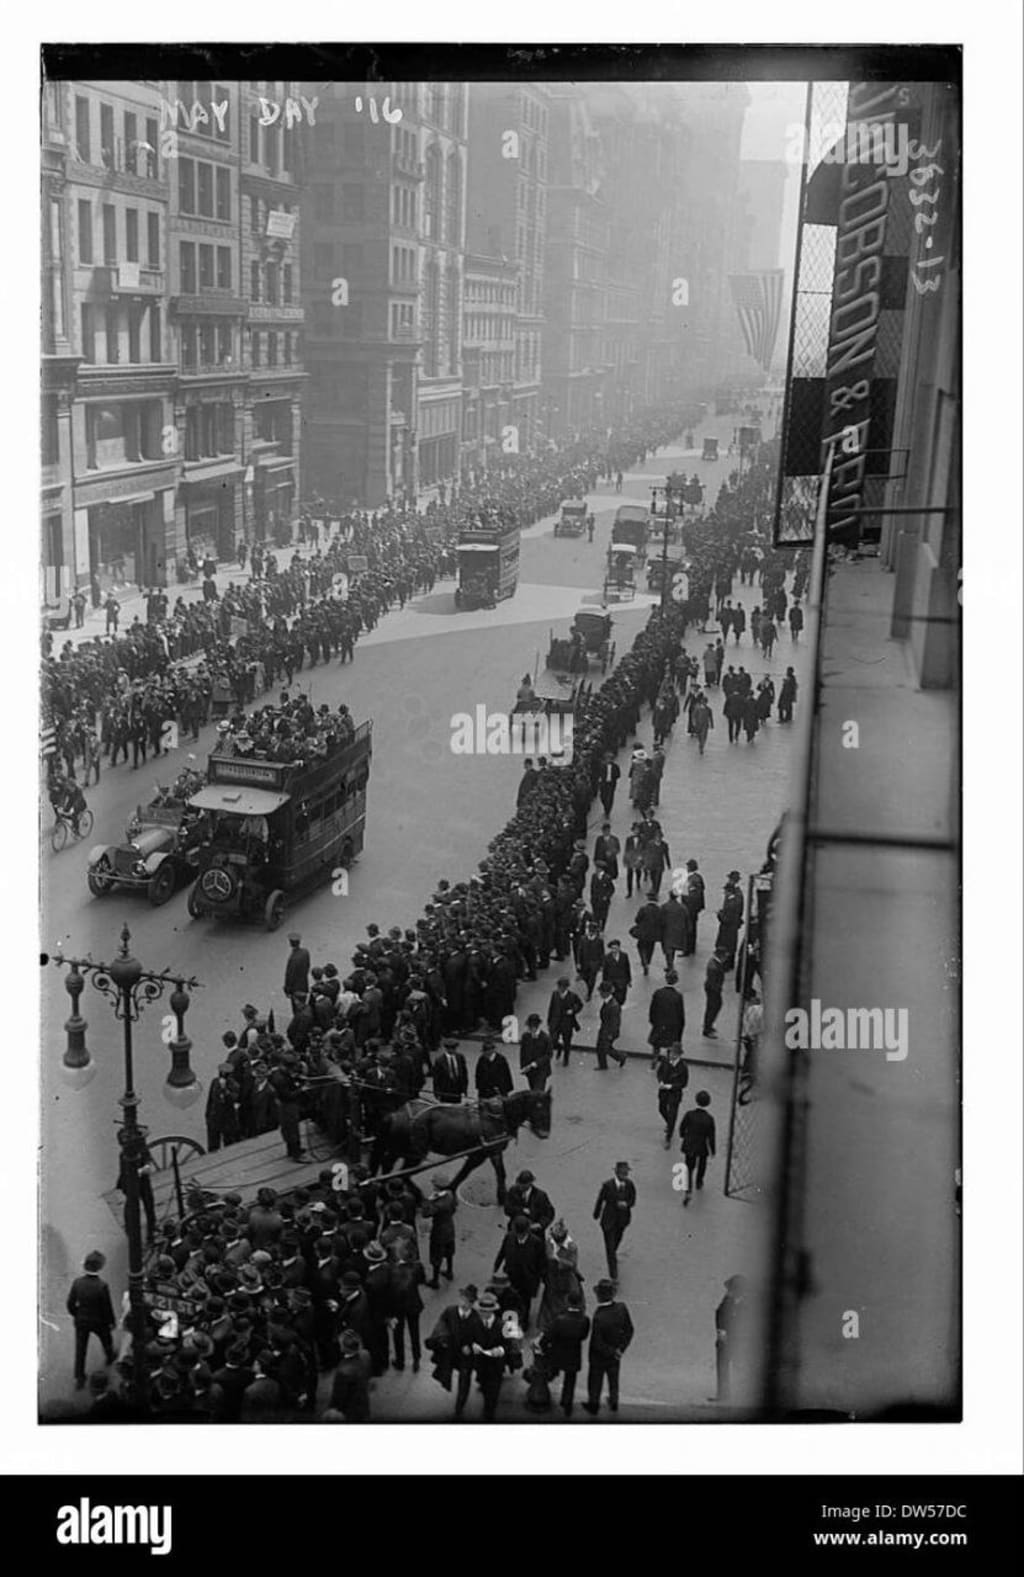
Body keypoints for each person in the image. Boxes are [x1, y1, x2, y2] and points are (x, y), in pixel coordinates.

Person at [426, 1284, 482, 1418]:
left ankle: (459, 1408)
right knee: (446, 1371)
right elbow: (441, 1326)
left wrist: (471, 1347)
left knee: (464, 1380)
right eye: (463, 1299)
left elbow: (480, 1337)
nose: (464, 1303)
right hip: (451, 1352)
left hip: (466, 1357)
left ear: (472, 1303)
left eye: (468, 1301)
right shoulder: (450, 1312)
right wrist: (442, 1339)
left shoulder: (476, 1318)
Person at [66, 1251, 116, 1391]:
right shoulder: (102, 1285)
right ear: (100, 1267)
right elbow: (107, 1307)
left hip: (82, 1320)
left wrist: (77, 1314)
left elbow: (70, 1303)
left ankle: (79, 1377)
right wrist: (111, 1321)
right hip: (99, 1321)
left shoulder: (77, 1283)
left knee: (80, 1349)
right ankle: (109, 1356)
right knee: (106, 1340)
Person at [583, 1280, 634, 1415]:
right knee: (613, 1380)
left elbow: (597, 1343)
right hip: (615, 1354)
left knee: (595, 1382)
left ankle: (593, 1405)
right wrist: (620, 1349)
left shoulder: (599, 1317)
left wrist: (611, 1351)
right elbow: (629, 1330)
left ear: (599, 1295)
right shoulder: (621, 1308)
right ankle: (613, 1402)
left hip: (598, 1357)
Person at [540, 1289, 591, 1418]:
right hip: (573, 1354)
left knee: (549, 1372)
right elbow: (584, 1336)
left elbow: (548, 1336)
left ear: (567, 1301)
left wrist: (544, 1348)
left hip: (557, 1352)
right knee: (570, 1380)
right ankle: (567, 1404)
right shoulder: (585, 1320)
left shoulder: (559, 1320)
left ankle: (542, 1394)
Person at [493, 1217, 546, 1330]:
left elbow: (541, 1262)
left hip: (527, 1279)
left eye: (522, 1234)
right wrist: (496, 1267)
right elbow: (502, 1253)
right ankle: (510, 1321)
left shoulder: (536, 1242)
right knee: (510, 1300)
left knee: (525, 1301)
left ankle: (524, 1322)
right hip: (511, 1275)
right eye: (518, 1233)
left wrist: (539, 1277)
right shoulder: (509, 1237)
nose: (519, 1236)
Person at [592, 1161, 636, 1281]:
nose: (624, 1176)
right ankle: (613, 1274)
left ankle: (613, 1255)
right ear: (616, 1173)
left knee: (617, 1240)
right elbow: (601, 1199)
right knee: (610, 1247)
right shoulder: (608, 1185)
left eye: (625, 1173)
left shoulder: (630, 1185)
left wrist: (626, 1204)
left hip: (622, 1220)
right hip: (609, 1220)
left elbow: (633, 1200)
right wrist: (596, 1213)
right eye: (622, 1173)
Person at [714, 1275, 747, 1404]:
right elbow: (719, 1314)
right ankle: (723, 1395)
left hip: (739, 1340)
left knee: (741, 1366)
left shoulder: (747, 1303)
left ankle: (745, 1394)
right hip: (725, 1339)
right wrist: (721, 1331)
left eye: (731, 1289)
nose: (728, 1291)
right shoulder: (728, 1300)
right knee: (723, 1367)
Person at [679, 1090, 716, 1202]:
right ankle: (699, 1181)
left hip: (689, 1144)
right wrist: (713, 1150)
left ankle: (688, 1190)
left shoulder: (689, 1115)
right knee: (702, 1164)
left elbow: (682, 1127)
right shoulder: (709, 1119)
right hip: (702, 1145)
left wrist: (683, 1135)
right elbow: (711, 1136)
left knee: (689, 1167)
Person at [327, 1330, 373, 1421]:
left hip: (349, 1411)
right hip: (363, 1403)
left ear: (343, 1348)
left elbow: (338, 1396)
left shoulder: (343, 1371)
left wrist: (332, 1409)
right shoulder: (366, 1355)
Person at [423, 1175, 457, 1289]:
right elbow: (454, 1208)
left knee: (436, 1255)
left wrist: (429, 1200)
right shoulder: (450, 1194)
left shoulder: (437, 1203)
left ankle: (435, 1280)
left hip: (439, 1230)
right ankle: (449, 1271)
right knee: (449, 1250)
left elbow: (425, 1214)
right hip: (450, 1226)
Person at [648, 971, 686, 1068]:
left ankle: (654, 1059)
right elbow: (680, 1014)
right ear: (676, 980)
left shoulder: (658, 993)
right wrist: (681, 1027)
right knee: (670, 1045)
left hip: (659, 1023)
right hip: (672, 1026)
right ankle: (668, 1063)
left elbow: (652, 1009)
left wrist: (653, 1021)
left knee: (656, 1044)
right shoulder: (678, 996)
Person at [655, 1043, 689, 1148]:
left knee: (672, 1115)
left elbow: (684, 1083)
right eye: (670, 1053)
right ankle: (670, 1124)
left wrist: (670, 1086)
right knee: (661, 1109)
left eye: (674, 1053)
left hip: (674, 1094)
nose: (671, 1055)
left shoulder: (683, 1067)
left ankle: (668, 1137)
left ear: (679, 1055)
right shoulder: (665, 1062)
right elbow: (659, 1073)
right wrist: (660, 1081)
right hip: (663, 1092)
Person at [547, 978, 583, 1067]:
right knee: (553, 1040)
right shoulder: (555, 994)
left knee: (567, 1042)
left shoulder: (573, 996)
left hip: (567, 1023)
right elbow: (551, 1007)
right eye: (559, 987)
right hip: (555, 1022)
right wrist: (549, 1021)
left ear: (566, 987)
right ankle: (559, 1047)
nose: (560, 989)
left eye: (562, 987)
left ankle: (566, 1059)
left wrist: (573, 1011)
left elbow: (580, 1005)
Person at [595, 981, 626, 1070]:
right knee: (604, 1047)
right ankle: (606, 1063)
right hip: (605, 1029)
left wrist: (610, 1034)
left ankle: (620, 1057)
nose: (600, 994)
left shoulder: (613, 1006)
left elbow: (615, 1022)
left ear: (606, 992)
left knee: (603, 1047)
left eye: (601, 992)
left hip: (608, 1031)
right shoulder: (609, 1002)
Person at [631, 892, 663, 975]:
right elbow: (661, 922)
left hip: (643, 933)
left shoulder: (643, 909)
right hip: (653, 934)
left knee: (640, 946)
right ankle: (648, 962)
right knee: (650, 948)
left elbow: (637, 920)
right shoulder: (659, 910)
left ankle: (644, 962)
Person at [519, 1014, 553, 1090]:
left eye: (532, 1027)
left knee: (538, 1091)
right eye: (530, 1027)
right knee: (532, 1089)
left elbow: (549, 1054)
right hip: (530, 1071)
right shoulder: (525, 1036)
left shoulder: (545, 1038)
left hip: (541, 1070)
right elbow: (523, 1052)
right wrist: (523, 1066)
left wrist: (536, 1063)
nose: (530, 1029)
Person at [433, 1038, 469, 1103]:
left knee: (456, 1107)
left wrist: (464, 1090)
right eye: (450, 1048)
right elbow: (436, 1078)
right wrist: (437, 1093)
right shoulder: (440, 1061)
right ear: (446, 1049)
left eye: (454, 1048)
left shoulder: (460, 1057)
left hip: (457, 1089)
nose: (452, 1050)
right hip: (445, 1090)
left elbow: (464, 1074)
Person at [703, 949, 728, 1039]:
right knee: (713, 1008)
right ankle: (707, 1029)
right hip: (713, 990)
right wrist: (717, 990)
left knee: (712, 1007)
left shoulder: (715, 963)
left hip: (712, 989)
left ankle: (708, 1025)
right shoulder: (714, 967)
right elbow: (713, 982)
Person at [600, 938, 632, 1007]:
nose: (614, 950)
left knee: (622, 999)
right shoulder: (607, 957)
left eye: (615, 948)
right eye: (612, 948)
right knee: (614, 998)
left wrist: (629, 980)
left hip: (622, 982)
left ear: (619, 948)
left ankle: (619, 1006)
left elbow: (627, 968)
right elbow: (605, 972)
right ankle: (616, 1008)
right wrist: (604, 984)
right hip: (611, 982)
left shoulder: (624, 956)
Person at [284, 933, 311, 1008]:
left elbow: (290, 976)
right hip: (304, 984)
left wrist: (287, 990)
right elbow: (308, 965)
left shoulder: (292, 959)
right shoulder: (305, 952)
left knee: (297, 1007)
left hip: (296, 988)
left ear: (290, 944)